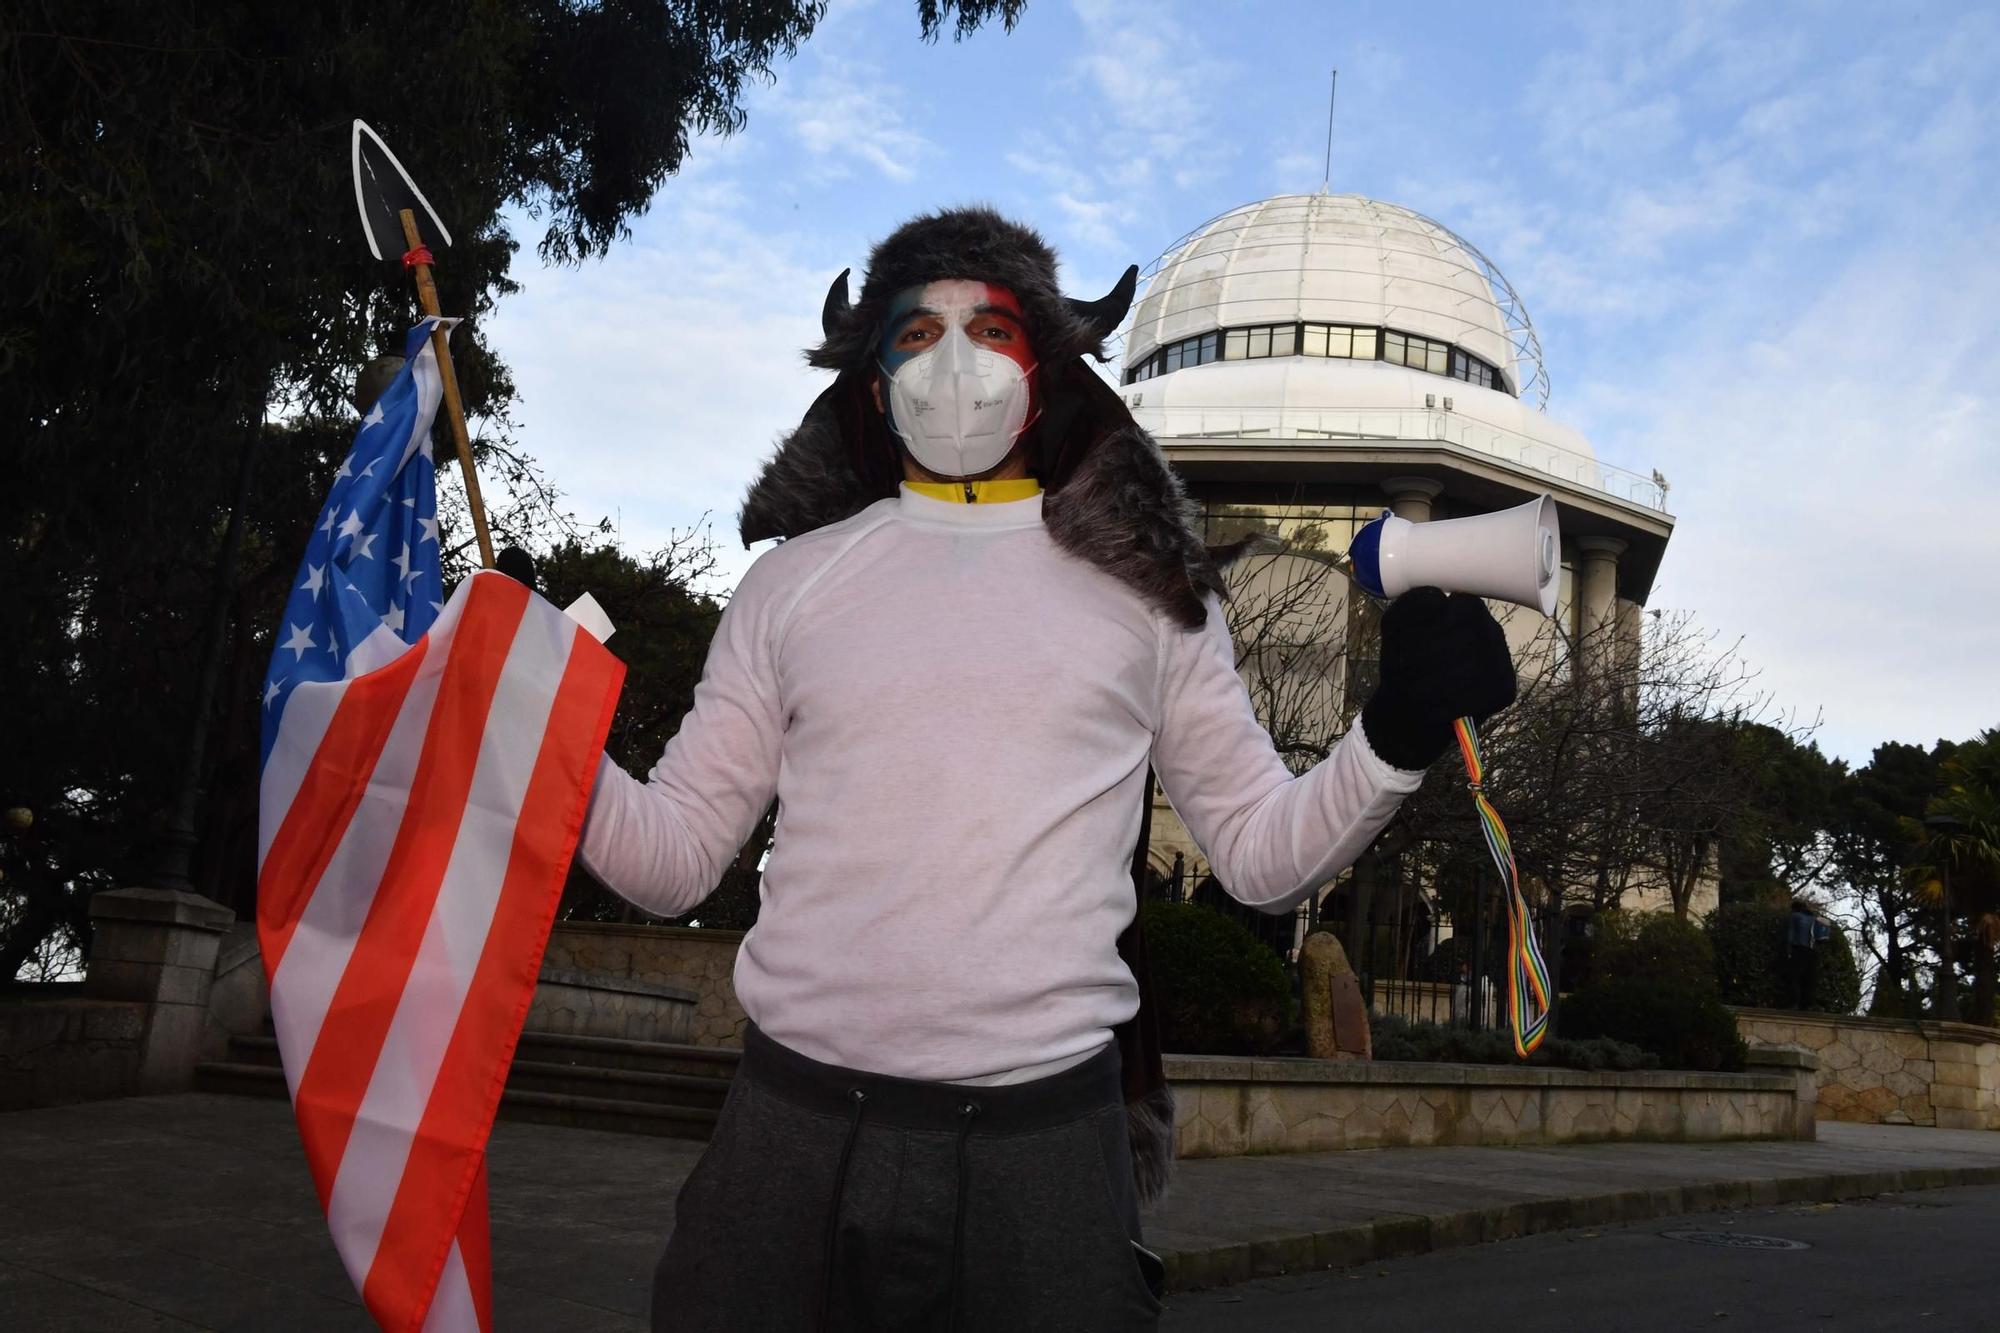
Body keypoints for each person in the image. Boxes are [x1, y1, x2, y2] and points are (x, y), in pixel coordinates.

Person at [577, 207, 1516, 1331]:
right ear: (873, 385)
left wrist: (1396, 732)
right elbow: (676, 858)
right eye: (915, 335)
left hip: (1046, 1149)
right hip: (789, 1128)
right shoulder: (789, 587)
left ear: (1049, 363)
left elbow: (1262, 858)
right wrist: (537, 727)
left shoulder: (1152, 595)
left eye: (992, 327)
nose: (954, 362)